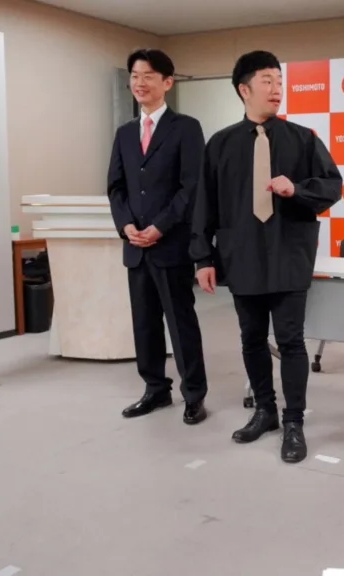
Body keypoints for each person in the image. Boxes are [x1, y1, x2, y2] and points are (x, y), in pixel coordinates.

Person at [190, 50, 342, 463]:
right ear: (245, 89)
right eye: (267, 81)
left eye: (280, 81)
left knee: (291, 341)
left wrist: (297, 189)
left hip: (289, 253)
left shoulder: (303, 139)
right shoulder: (220, 144)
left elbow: (333, 186)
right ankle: (265, 410)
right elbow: (204, 206)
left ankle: (294, 422)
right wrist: (203, 258)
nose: (277, 89)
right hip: (241, 255)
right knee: (251, 339)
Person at [107, 49, 209, 423]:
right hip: (136, 247)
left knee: (181, 322)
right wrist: (126, 226)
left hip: (171, 245)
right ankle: (155, 389)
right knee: (144, 322)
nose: (140, 83)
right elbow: (116, 187)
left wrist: (160, 226)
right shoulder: (124, 133)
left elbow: (191, 187)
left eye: (148, 76)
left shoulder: (186, 128)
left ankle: (194, 394)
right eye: (134, 76)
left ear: (167, 82)